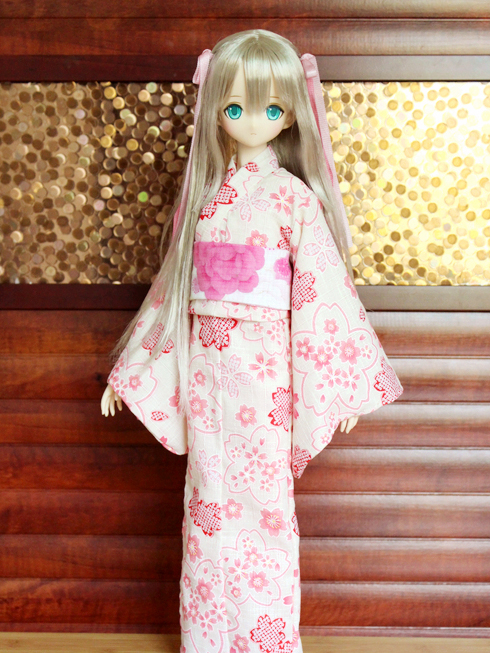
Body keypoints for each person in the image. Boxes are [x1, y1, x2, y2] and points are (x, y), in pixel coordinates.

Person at [101, 29, 403, 653]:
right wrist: (130, 373)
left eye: (270, 108)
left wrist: (340, 383)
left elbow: (321, 292)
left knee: (266, 506)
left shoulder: (293, 198)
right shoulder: (204, 201)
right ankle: (207, 638)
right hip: (208, 377)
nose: (251, 120)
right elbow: (170, 295)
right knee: (206, 504)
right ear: (215, 109)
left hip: (268, 379)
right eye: (234, 106)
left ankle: (266, 640)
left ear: (290, 114)